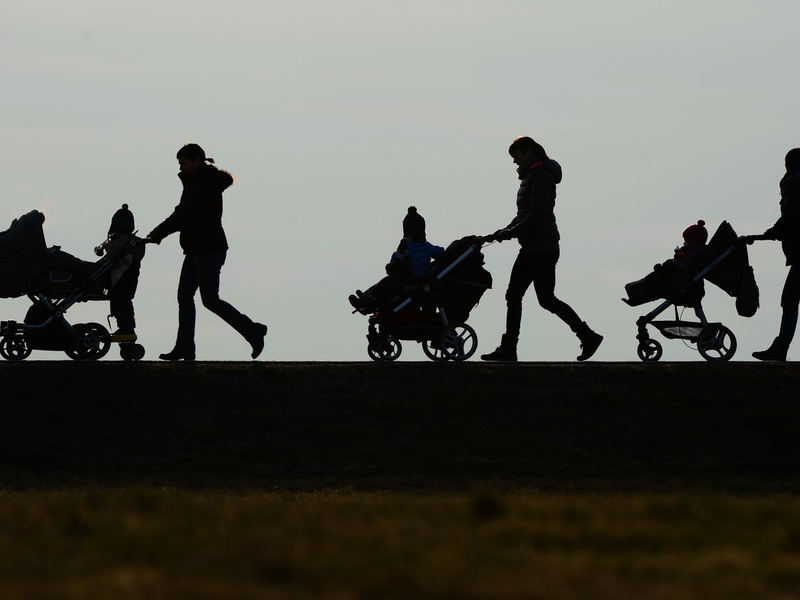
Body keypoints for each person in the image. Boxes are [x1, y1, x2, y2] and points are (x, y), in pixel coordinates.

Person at [481, 136, 603, 362]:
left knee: (546, 299)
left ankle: (588, 336)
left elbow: (537, 214)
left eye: (516, 156)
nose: (514, 162)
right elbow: (523, 214)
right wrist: (504, 231)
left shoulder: (541, 175)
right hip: (530, 247)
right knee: (513, 295)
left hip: (543, 248)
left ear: (529, 152)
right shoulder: (530, 176)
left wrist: (511, 232)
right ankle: (509, 348)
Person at [148, 143, 268, 361]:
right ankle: (184, 348)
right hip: (195, 249)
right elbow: (181, 211)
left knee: (210, 300)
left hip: (209, 249)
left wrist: (159, 233)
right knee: (184, 297)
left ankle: (253, 330)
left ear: (197, 161)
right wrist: (157, 232)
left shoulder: (205, 183)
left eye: (184, 163)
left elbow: (187, 214)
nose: (181, 168)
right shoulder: (195, 182)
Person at [349, 206, 445, 313]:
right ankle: (367, 297)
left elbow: (394, 262)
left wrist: (393, 266)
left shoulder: (403, 248)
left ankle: (367, 300)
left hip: (410, 279)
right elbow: (441, 253)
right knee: (386, 284)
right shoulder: (427, 247)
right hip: (422, 278)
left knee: (385, 283)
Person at [752, 148, 800, 362]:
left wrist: (774, 231)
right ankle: (780, 348)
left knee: (789, 301)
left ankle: (780, 348)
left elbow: (793, 214)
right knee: (789, 300)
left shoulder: (793, 183)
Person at [94, 203, 145, 342]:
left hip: (119, 280)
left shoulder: (120, 243)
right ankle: (126, 328)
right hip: (131, 280)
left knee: (120, 303)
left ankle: (126, 329)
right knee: (124, 303)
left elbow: (108, 260)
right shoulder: (136, 243)